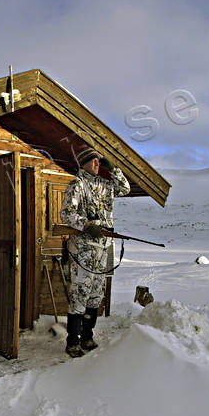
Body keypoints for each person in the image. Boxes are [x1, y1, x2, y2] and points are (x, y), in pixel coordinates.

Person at [60, 147, 130, 357]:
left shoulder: (106, 185)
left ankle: (87, 337)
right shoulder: (77, 184)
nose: (98, 164)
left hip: (103, 249)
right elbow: (67, 213)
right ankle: (72, 342)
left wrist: (114, 168)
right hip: (84, 249)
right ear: (84, 163)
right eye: (94, 161)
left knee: (96, 294)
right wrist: (86, 225)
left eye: (100, 161)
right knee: (81, 293)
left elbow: (124, 188)